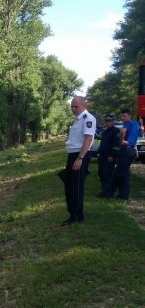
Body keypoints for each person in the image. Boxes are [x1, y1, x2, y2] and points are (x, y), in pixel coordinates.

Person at [60, 96, 95, 225]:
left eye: (76, 106)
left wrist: (80, 158)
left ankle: (77, 216)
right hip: (73, 155)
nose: (73, 109)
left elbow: (88, 139)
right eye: (72, 106)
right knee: (69, 185)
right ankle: (72, 214)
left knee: (76, 186)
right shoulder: (77, 119)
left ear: (84, 105)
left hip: (80, 155)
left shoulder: (88, 119)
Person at [112, 108, 141, 200]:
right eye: (121, 116)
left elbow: (123, 137)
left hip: (127, 149)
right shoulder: (136, 124)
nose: (122, 117)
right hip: (132, 150)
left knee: (119, 173)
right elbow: (141, 132)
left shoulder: (127, 124)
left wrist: (121, 138)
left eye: (124, 116)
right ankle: (122, 194)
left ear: (129, 116)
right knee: (124, 173)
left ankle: (114, 193)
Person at [96, 114, 120, 198]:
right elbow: (103, 144)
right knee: (101, 173)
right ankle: (104, 191)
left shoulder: (116, 131)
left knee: (108, 175)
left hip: (109, 157)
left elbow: (117, 145)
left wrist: (112, 156)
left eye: (110, 120)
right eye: (106, 121)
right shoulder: (105, 131)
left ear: (113, 121)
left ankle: (108, 193)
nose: (108, 122)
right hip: (102, 156)